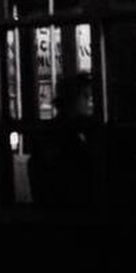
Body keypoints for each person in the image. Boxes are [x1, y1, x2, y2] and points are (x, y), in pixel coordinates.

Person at [27, 71, 95, 210]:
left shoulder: (50, 132)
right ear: (73, 99)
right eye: (86, 97)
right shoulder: (67, 135)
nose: (90, 104)